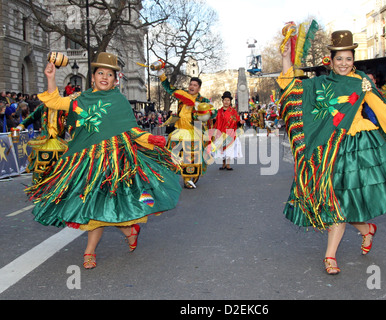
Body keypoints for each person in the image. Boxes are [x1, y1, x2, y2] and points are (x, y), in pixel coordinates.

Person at [277, 30, 386, 275]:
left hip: (359, 148)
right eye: (339, 59)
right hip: (330, 148)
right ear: (330, 61)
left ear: (354, 60)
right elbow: (290, 84)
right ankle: (366, 230)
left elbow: (380, 108)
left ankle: (330, 256)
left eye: (348, 59)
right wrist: (286, 56)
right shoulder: (320, 83)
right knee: (338, 200)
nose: (344, 64)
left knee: (342, 202)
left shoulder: (362, 81)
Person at [26, 52, 182, 269]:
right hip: (86, 164)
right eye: (100, 73)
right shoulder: (80, 100)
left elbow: (132, 131)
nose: (105, 77)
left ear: (115, 79)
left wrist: (151, 139)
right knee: (93, 206)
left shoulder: (119, 101)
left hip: (115, 163)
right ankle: (128, 231)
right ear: (93, 77)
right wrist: (51, 77)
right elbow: (54, 102)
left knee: (103, 206)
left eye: (109, 74)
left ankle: (92, 249)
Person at [158, 67, 215, 189]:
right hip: (179, 131)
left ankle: (188, 178)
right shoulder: (182, 96)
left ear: (199, 88)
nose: (192, 86)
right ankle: (168, 176)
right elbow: (170, 89)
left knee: (190, 157)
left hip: (194, 132)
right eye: (191, 84)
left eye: (195, 85)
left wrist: (205, 112)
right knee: (172, 154)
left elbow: (213, 112)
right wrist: (161, 75)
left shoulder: (202, 100)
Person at [213, 91, 244, 170]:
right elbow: (215, 121)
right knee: (222, 148)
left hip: (230, 132)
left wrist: (240, 122)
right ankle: (223, 163)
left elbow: (237, 121)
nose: (226, 102)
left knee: (229, 148)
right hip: (220, 132)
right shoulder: (218, 111)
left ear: (230, 102)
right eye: (225, 100)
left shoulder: (233, 112)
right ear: (222, 101)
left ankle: (228, 164)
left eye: (228, 100)